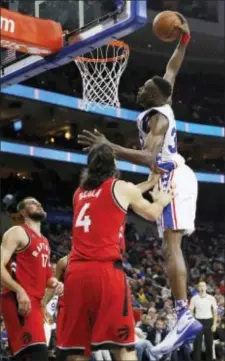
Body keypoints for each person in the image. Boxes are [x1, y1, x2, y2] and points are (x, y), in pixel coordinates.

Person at [77, 13, 202, 356]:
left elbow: (150, 158)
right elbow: (171, 70)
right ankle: (181, 314)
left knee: (170, 246)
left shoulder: (156, 116)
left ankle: (181, 315)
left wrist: (110, 147)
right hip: (169, 176)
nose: (141, 88)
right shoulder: (163, 100)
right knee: (168, 246)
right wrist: (183, 41)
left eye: (146, 87)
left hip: (171, 175)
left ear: (154, 96)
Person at [56, 143, 174, 361]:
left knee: (77, 350)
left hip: (75, 275)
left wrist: (149, 182)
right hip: (104, 272)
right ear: (113, 165)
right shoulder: (119, 187)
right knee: (123, 346)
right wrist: (161, 200)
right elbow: (151, 213)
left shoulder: (79, 193)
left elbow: (117, 197)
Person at [1, 197, 63, 361]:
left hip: (36, 303)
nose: (39, 204)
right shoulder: (17, 232)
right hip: (18, 300)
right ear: (23, 211)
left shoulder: (45, 241)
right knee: (36, 354)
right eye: (33, 203)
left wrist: (55, 283)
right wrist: (19, 290)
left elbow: (47, 277)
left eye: (39, 202)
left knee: (27, 355)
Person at [42, 255, 69, 348]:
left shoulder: (60, 284)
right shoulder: (43, 283)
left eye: (54, 269)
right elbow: (41, 301)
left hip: (54, 319)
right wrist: (44, 310)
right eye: (52, 269)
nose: (53, 270)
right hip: (44, 318)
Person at [190, 281, 218, 361]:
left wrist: (214, 324)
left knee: (209, 343)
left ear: (206, 287)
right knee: (197, 343)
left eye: (203, 286)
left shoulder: (211, 298)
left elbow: (215, 311)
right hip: (198, 321)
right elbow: (191, 310)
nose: (202, 287)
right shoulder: (194, 298)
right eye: (200, 286)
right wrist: (193, 321)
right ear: (198, 288)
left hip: (208, 321)